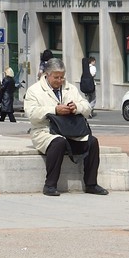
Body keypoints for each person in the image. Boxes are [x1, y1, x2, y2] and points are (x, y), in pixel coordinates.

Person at [24, 59, 109, 196]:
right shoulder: (34, 91)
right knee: (58, 142)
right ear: (47, 74)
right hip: (45, 131)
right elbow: (31, 113)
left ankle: (91, 184)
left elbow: (87, 107)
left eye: (62, 77)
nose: (59, 80)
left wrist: (76, 108)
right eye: (56, 77)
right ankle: (50, 185)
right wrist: (55, 110)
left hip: (70, 130)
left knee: (92, 142)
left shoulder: (71, 88)